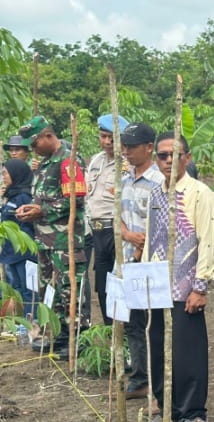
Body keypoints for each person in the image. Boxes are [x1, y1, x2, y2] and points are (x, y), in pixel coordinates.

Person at [143, 132, 214, 422]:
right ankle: (168, 409)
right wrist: (145, 280)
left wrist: (200, 287)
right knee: (158, 351)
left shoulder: (200, 194)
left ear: (187, 157)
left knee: (187, 354)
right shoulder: (155, 195)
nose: (168, 161)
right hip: (158, 288)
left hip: (186, 290)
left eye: (174, 155)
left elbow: (208, 241)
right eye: (162, 156)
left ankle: (193, 415)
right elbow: (150, 240)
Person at [15, 115, 88, 355]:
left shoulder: (68, 160)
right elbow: (43, 197)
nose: (32, 149)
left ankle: (77, 338)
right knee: (50, 291)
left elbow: (75, 199)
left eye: (34, 143)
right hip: (45, 241)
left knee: (70, 289)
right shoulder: (45, 163)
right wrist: (31, 209)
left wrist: (42, 211)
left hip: (65, 240)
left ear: (48, 136)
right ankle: (60, 334)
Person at [119, 121, 165, 400]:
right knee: (133, 323)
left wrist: (139, 251)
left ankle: (157, 382)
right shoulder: (125, 180)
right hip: (127, 261)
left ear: (149, 147)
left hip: (148, 265)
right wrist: (127, 235)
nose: (126, 151)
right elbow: (119, 218)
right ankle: (140, 378)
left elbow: (161, 226)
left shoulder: (159, 182)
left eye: (132, 146)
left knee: (152, 325)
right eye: (124, 146)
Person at [85, 113, 128, 324]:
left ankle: (125, 333)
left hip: (116, 229)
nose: (108, 142)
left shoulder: (127, 163)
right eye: (104, 136)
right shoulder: (96, 160)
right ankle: (109, 328)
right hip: (97, 230)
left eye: (112, 138)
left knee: (121, 282)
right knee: (102, 285)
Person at [0, 158, 36, 317]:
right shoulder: (11, 195)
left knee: (28, 289)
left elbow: (26, 224)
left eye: (5, 174)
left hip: (23, 252)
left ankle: (31, 321)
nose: (4, 177)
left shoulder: (24, 197)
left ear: (16, 174)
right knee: (15, 288)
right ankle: (19, 320)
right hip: (10, 251)